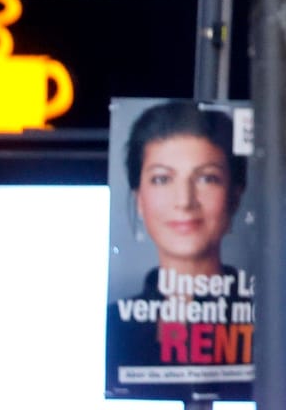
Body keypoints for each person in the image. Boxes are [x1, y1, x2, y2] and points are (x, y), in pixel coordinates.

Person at [107, 102, 251, 390]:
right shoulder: (111, 326)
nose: (185, 201)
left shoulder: (274, 320)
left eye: (207, 178)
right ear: (138, 199)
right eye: (162, 179)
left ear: (235, 196)